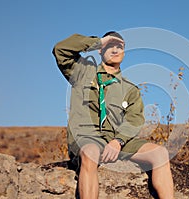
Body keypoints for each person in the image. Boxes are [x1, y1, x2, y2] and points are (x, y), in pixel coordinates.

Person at [52, 31, 174, 199]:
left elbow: (135, 119)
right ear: (101, 51)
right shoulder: (82, 71)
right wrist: (100, 41)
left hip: (117, 141)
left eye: (120, 47)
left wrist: (118, 141)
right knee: (90, 153)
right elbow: (60, 49)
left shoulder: (129, 89)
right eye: (110, 46)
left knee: (160, 153)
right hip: (87, 138)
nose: (115, 50)